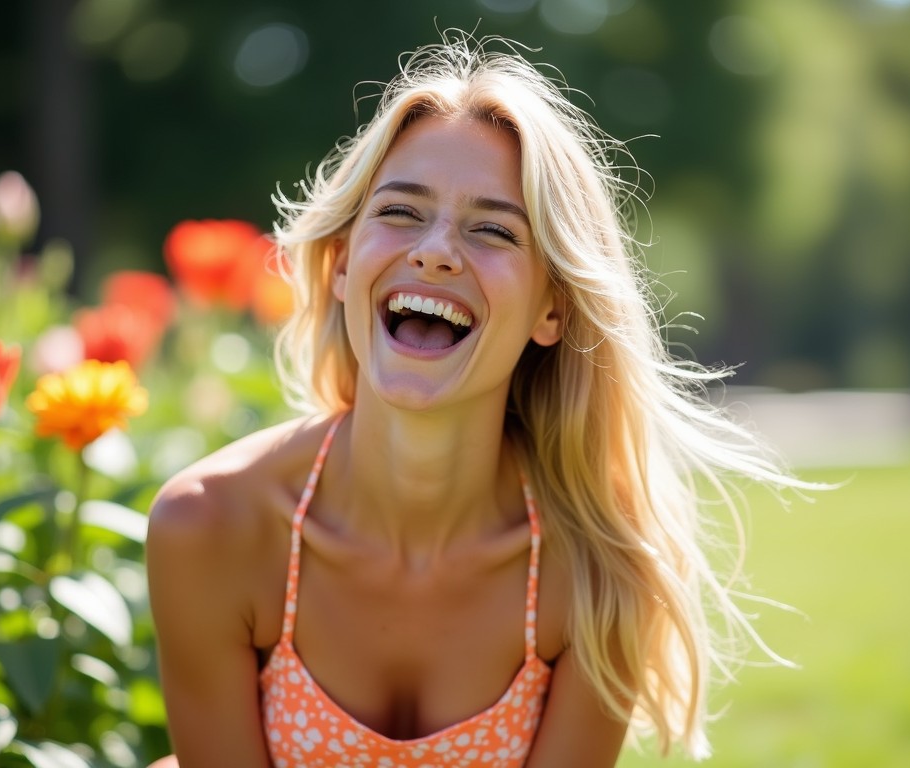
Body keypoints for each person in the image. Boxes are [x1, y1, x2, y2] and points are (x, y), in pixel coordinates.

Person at [146, 30, 803, 768]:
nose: (434, 250)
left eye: (492, 229)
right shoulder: (208, 525)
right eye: (399, 212)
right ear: (339, 263)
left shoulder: (600, 572)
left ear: (553, 310)